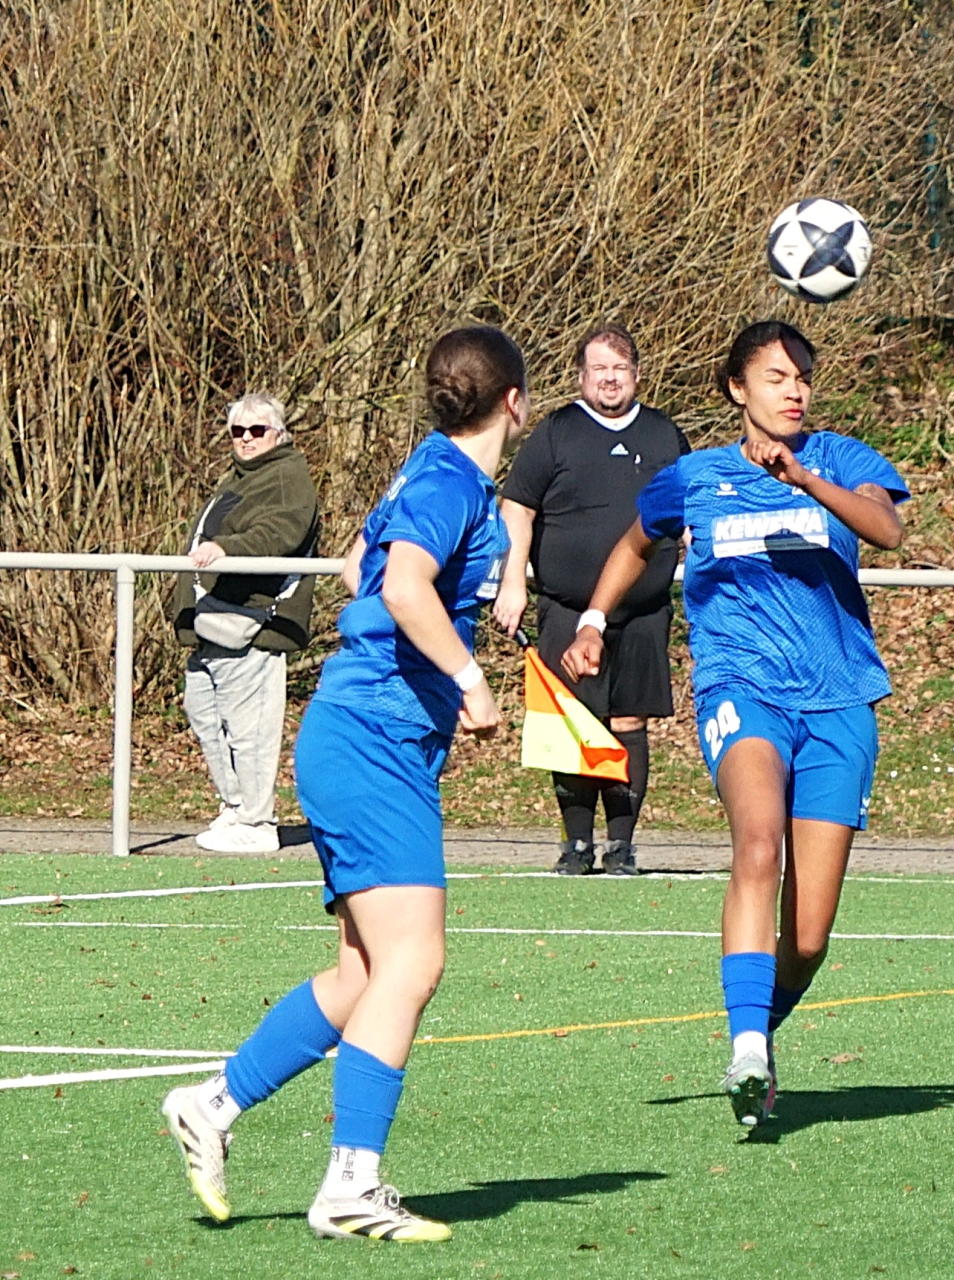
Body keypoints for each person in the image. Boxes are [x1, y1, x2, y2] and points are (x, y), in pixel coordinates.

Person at [162, 326, 522, 1242]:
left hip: (356, 735)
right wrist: (469, 679)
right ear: (514, 402)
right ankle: (351, 1185)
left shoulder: (428, 471)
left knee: (363, 971)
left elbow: (360, 559)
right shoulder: (448, 483)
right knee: (415, 961)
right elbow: (398, 585)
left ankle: (212, 1104)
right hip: (372, 744)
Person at [562, 321, 908, 1128]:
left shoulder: (845, 461)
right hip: (741, 688)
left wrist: (805, 479)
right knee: (758, 843)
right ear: (736, 390)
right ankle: (746, 1047)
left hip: (839, 702)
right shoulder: (694, 477)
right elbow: (634, 542)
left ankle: (760, 1040)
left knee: (811, 937)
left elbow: (887, 529)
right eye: (777, 377)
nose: (794, 392)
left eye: (802, 379)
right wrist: (592, 621)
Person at [494, 325, 690, 875]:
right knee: (571, 724)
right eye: (599, 368)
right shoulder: (555, 432)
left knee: (629, 723)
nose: (610, 378)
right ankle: (576, 844)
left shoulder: (662, 433)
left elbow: (689, 510)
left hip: (643, 612)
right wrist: (513, 583)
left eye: (620, 368)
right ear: (581, 376)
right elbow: (518, 510)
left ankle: (621, 844)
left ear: (637, 376)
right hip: (567, 606)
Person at [170, 393, 320, 855]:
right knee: (205, 713)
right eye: (239, 431)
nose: (248, 439)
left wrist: (228, 548)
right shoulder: (239, 476)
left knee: (249, 728)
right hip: (213, 622)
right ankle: (235, 807)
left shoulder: (288, 475)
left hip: (253, 622)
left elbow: (282, 531)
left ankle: (257, 821)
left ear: (278, 433)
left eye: (258, 431)